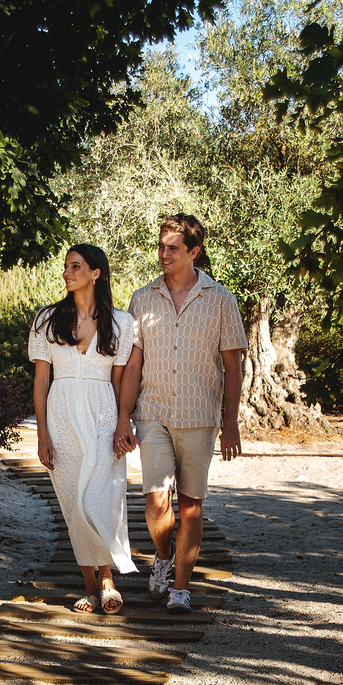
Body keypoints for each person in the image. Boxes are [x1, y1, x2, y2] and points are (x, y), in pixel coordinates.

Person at [114, 214, 247, 614]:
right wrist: (124, 417)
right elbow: (133, 365)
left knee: (190, 505)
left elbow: (233, 367)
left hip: (200, 415)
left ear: (194, 251)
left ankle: (181, 589)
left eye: (173, 247)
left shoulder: (221, 299)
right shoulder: (142, 298)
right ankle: (163, 556)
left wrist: (230, 423)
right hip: (152, 412)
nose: (163, 253)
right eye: (161, 245)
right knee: (155, 501)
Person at [29, 244, 137, 615]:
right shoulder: (47, 319)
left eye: (76, 266)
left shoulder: (122, 322)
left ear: (96, 273)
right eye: (65, 267)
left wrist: (124, 422)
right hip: (61, 416)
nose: (67, 272)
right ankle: (93, 586)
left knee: (100, 497)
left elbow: (122, 381)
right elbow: (41, 381)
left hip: (103, 415)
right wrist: (42, 433)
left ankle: (107, 577)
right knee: (75, 503)